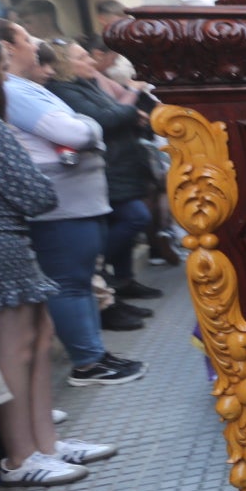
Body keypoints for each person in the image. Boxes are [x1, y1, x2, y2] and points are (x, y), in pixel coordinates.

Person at [0, 25, 114, 484]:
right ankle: (22, 456)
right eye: (0, 69)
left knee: (34, 335)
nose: (6, 80)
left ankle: (43, 446)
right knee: (18, 345)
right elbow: (35, 193)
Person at [0, 18, 143, 386]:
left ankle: (93, 354)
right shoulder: (14, 92)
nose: (35, 46)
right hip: (61, 204)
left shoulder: (24, 87)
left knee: (78, 279)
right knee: (70, 282)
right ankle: (88, 361)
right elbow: (73, 131)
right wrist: (88, 127)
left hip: (76, 200)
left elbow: (78, 127)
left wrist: (84, 126)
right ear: (6, 47)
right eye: (25, 39)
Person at [46, 39, 162, 320]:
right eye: (82, 57)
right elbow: (101, 118)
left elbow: (110, 111)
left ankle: (122, 280)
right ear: (64, 63)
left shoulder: (86, 85)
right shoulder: (64, 90)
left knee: (127, 219)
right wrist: (130, 111)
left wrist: (127, 115)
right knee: (134, 217)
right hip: (108, 168)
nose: (90, 61)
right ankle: (100, 271)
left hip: (122, 164)